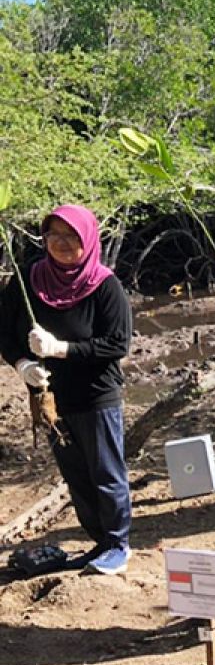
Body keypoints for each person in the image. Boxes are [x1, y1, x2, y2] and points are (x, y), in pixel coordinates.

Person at [1, 205, 133, 575]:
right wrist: (22, 364)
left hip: (96, 396)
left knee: (106, 473)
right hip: (51, 400)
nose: (60, 243)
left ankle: (118, 543)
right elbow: (5, 333)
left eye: (70, 236)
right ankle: (99, 541)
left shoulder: (105, 285)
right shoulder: (30, 280)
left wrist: (63, 349)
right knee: (76, 475)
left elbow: (117, 344)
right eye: (53, 235)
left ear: (87, 239)